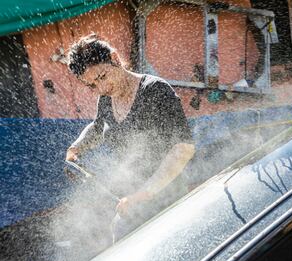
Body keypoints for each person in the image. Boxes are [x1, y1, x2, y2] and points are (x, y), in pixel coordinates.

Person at [65, 34, 195, 240]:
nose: (101, 88)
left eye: (102, 77)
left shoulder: (155, 90)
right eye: (92, 85)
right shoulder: (106, 100)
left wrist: (142, 195)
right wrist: (76, 148)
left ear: (115, 59)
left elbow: (183, 148)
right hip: (131, 203)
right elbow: (98, 127)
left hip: (167, 199)